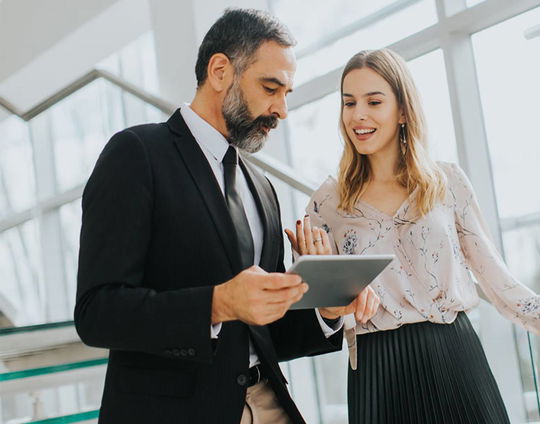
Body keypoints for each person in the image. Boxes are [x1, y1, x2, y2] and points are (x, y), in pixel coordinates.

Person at [286, 48, 540, 424]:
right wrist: (324, 287)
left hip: (455, 359)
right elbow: (317, 314)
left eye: (374, 101)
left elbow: (498, 281)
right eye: (349, 102)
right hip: (378, 371)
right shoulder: (328, 204)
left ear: (403, 111)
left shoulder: (446, 183)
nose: (358, 115)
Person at [74, 9, 379, 424]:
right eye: (271, 88)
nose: (282, 110)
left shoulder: (262, 187)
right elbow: (97, 313)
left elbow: (265, 333)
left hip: (268, 401)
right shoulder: (137, 154)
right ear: (220, 71)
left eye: (287, 93)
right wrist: (216, 304)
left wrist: (326, 311)